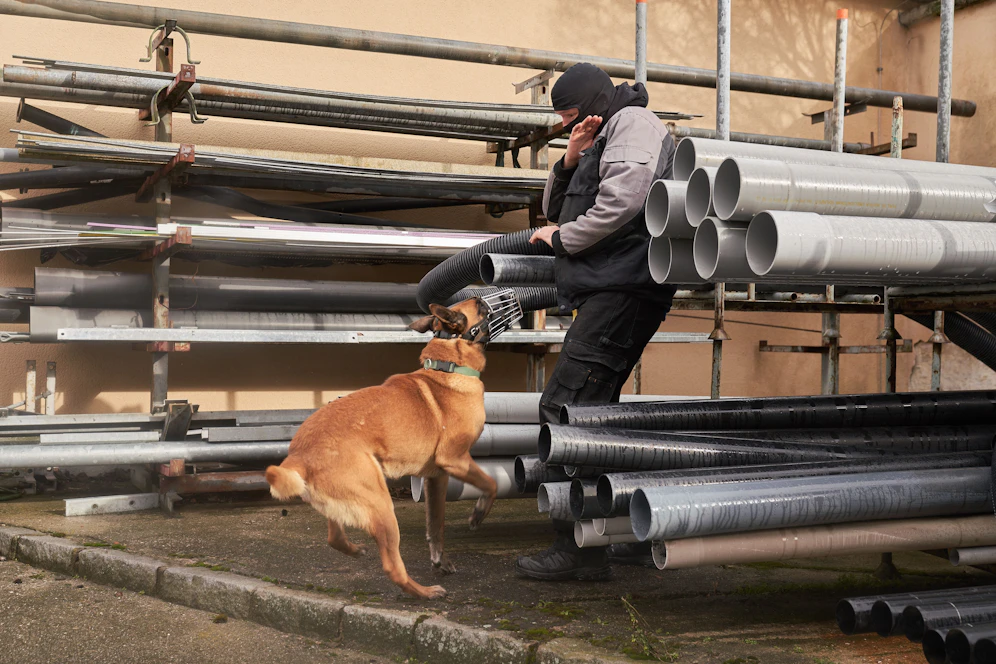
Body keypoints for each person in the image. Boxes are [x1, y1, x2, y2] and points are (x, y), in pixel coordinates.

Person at [516, 63, 677, 581]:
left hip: (625, 287)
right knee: (598, 419)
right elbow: (553, 210)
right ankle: (618, 532)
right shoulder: (601, 133)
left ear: (590, 102)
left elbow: (624, 203)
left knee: (567, 411)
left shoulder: (634, 125)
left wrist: (562, 240)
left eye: (568, 115)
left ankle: (577, 550)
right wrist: (570, 159)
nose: (565, 123)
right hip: (610, 288)